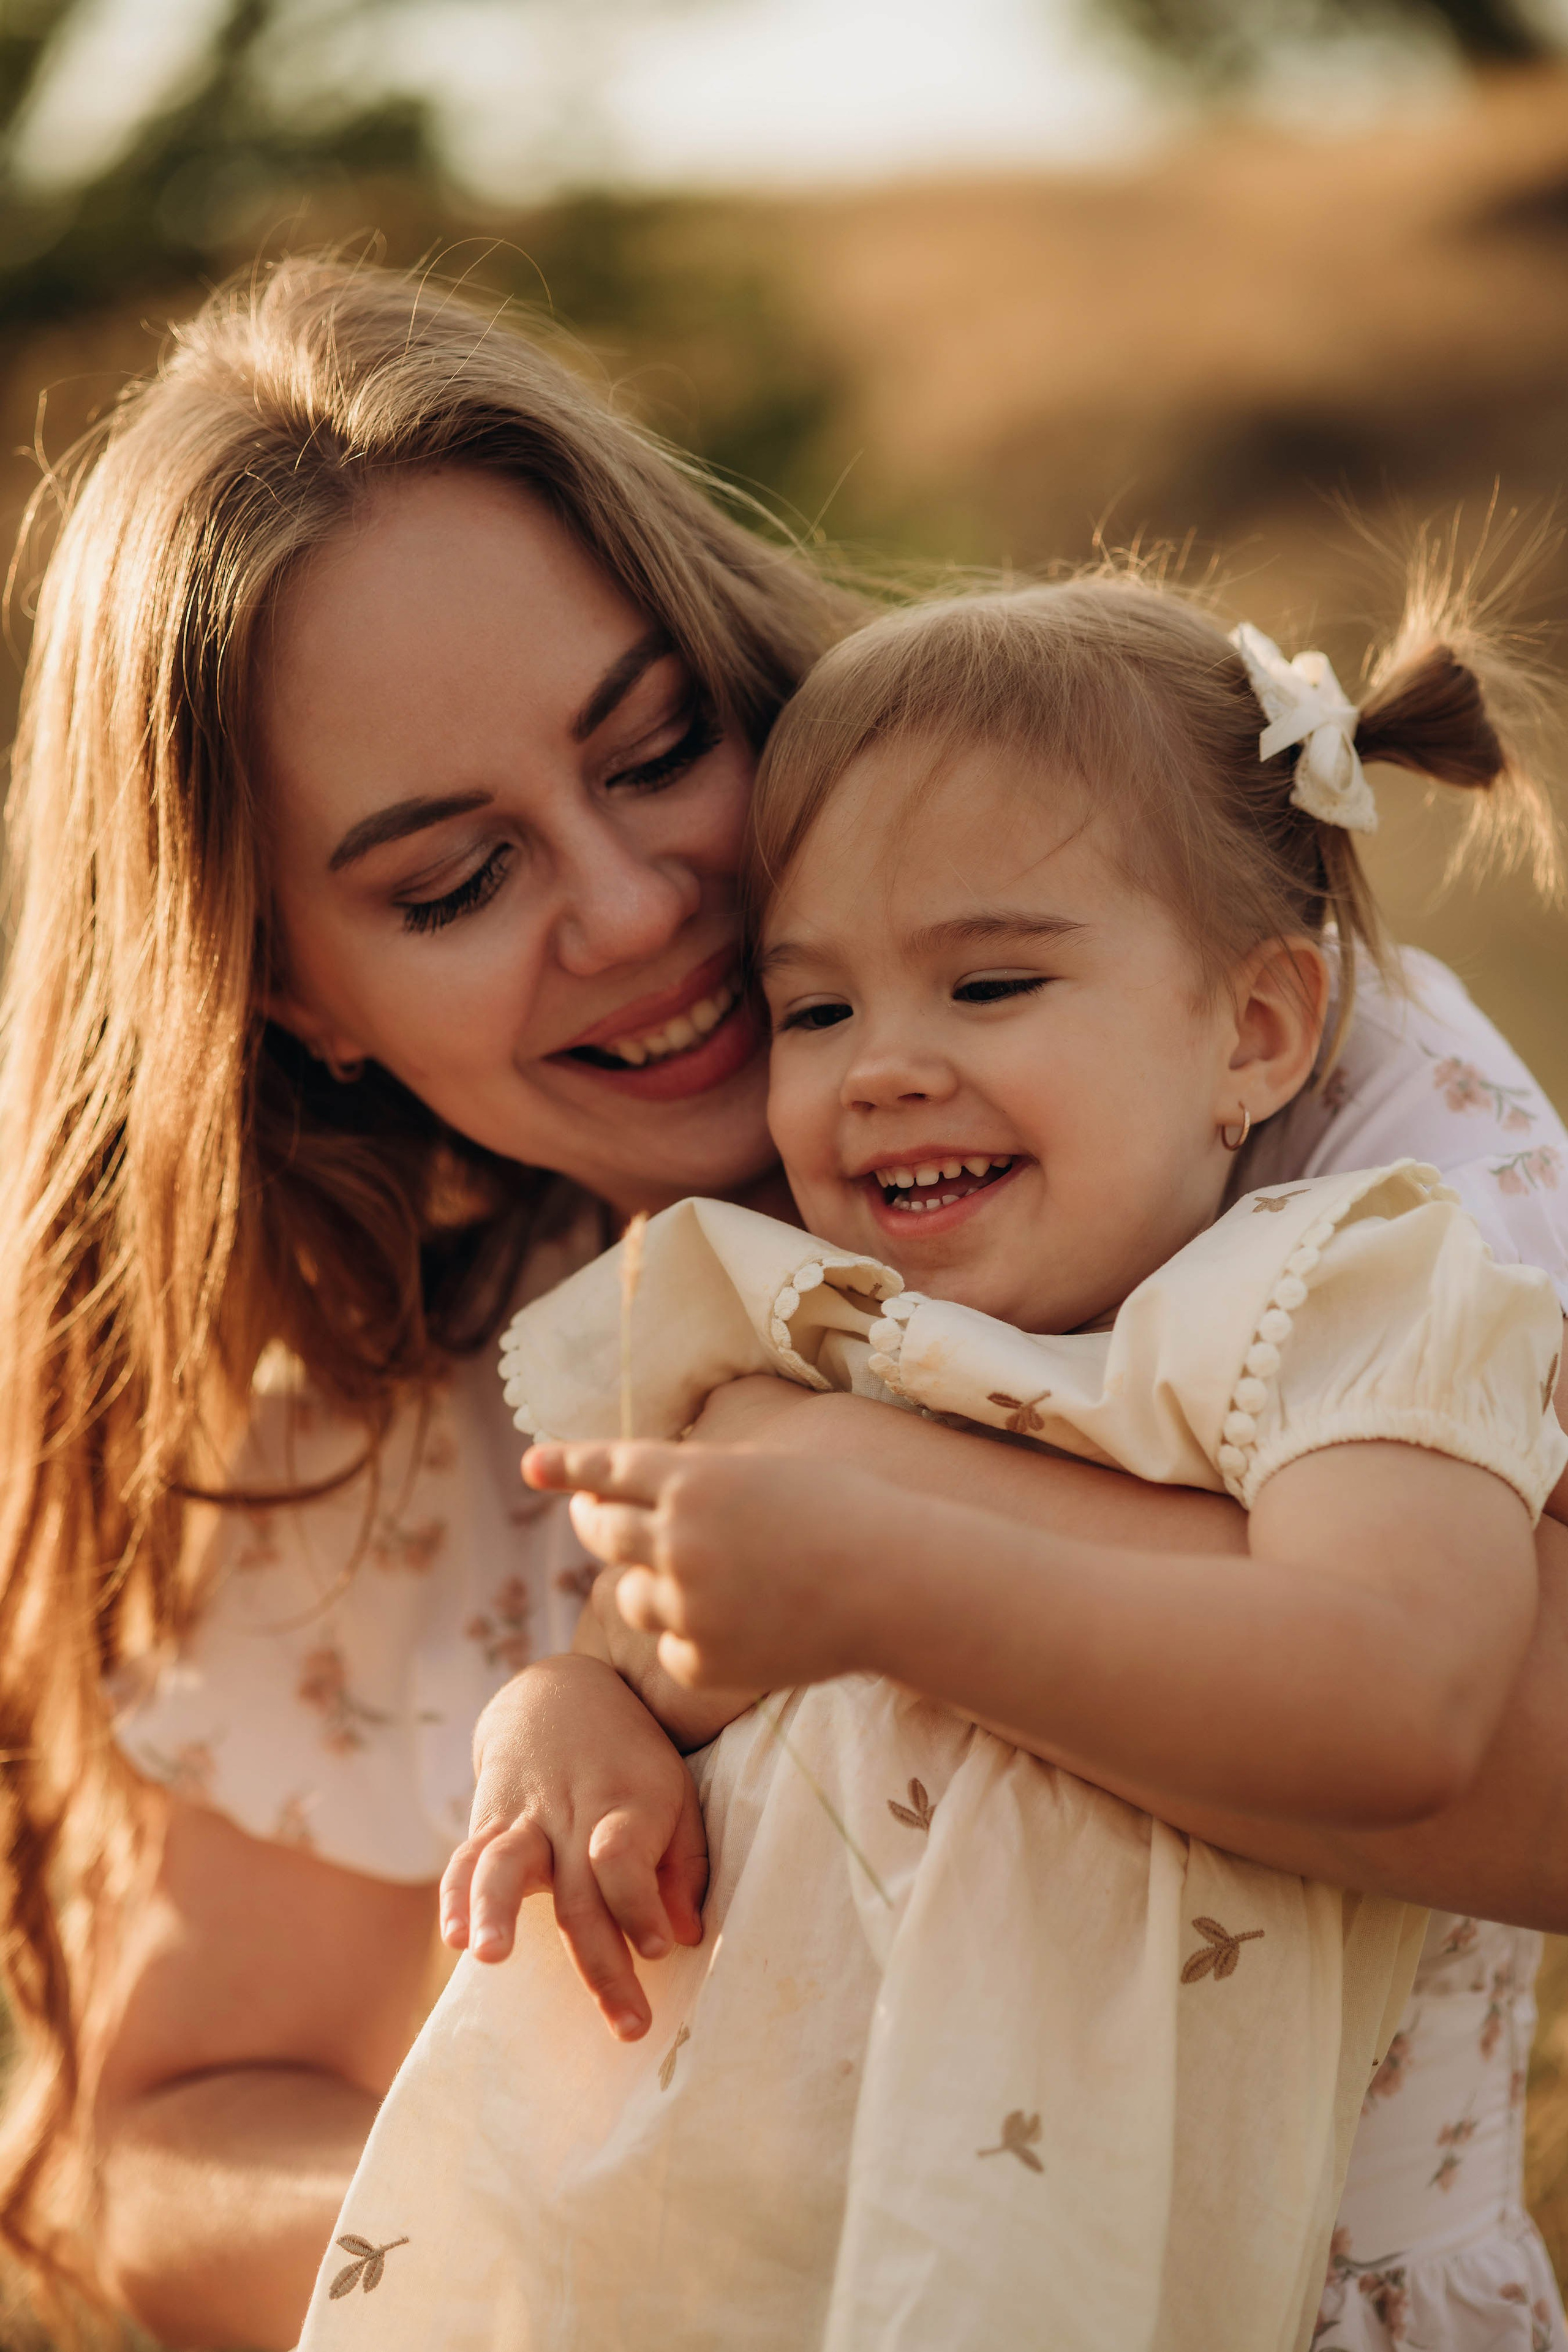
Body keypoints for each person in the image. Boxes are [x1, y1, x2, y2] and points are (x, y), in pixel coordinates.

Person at [0, 257, 1564, 2352]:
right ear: (290, 986)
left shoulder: (1286, 1105)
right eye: (452, 883)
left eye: (653, 754)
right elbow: (155, 2133)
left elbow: (1480, 1729)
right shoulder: (373, 1385)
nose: (640, 910)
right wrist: (615, 2276)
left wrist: (847, 1501)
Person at [298, 581, 1564, 2352]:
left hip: (1294, 2295)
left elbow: (1406, 1696)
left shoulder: (1355, 1296)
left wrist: (894, 1576)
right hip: (849, 2279)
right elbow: (652, 1653)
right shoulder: (813, 1325)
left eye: (989, 983)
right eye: (812, 1011)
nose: (883, 1068)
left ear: (1258, 1032)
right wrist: (563, 1727)